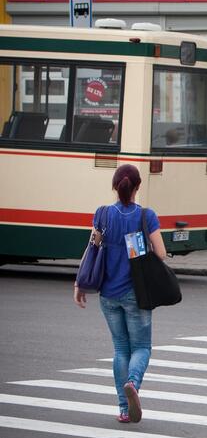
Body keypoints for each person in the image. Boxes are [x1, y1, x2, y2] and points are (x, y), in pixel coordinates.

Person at [73, 164, 166, 424]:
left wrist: (79, 283)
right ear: (138, 187)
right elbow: (160, 253)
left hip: (108, 295)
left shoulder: (102, 214)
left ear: (115, 186)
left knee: (120, 349)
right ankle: (133, 383)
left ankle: (124, 409)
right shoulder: (146, 216)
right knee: (142, 347)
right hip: (136, 294)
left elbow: (91, 250)